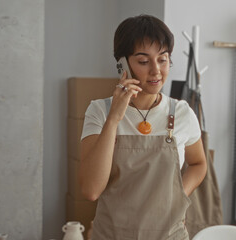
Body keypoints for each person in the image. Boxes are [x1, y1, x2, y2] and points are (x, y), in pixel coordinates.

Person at [79, 14, 207, 240]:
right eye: (143, 61)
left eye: (163, 59)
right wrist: (114, 119)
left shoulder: (182, 113)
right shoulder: (99, 112)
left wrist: (178, 195)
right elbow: (91, 190)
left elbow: (198, 164)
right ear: (123, 64)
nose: (156, 71)